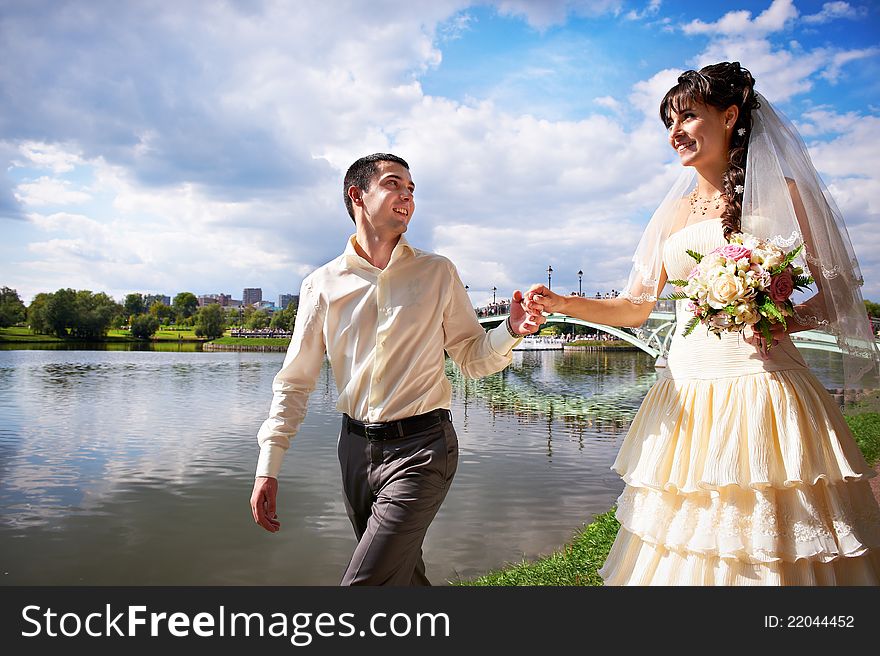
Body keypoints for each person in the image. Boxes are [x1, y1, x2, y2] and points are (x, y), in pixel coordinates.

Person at [525, 62, 880, 585]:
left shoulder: (784, 195)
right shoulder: (670, 214)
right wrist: (562, 302)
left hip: (763, 386)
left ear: (730, 115)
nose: (674, 133)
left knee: (769, 536)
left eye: (687, 116)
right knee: (688, 541)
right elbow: (634, 308)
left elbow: (838, 292)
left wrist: (777, 319)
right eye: (669, 121)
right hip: (687, 392)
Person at [250, 153, 544, 585]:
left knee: (365, 584)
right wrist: (268, 466)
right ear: (357, 196)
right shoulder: (321, 285)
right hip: (354, 449)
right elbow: (294, 382)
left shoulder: (437, 272)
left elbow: (471, 356)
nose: (407, 196)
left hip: (423, 448)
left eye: (411, 189)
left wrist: (512, 329)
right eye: (393, 185)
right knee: (402, 578)